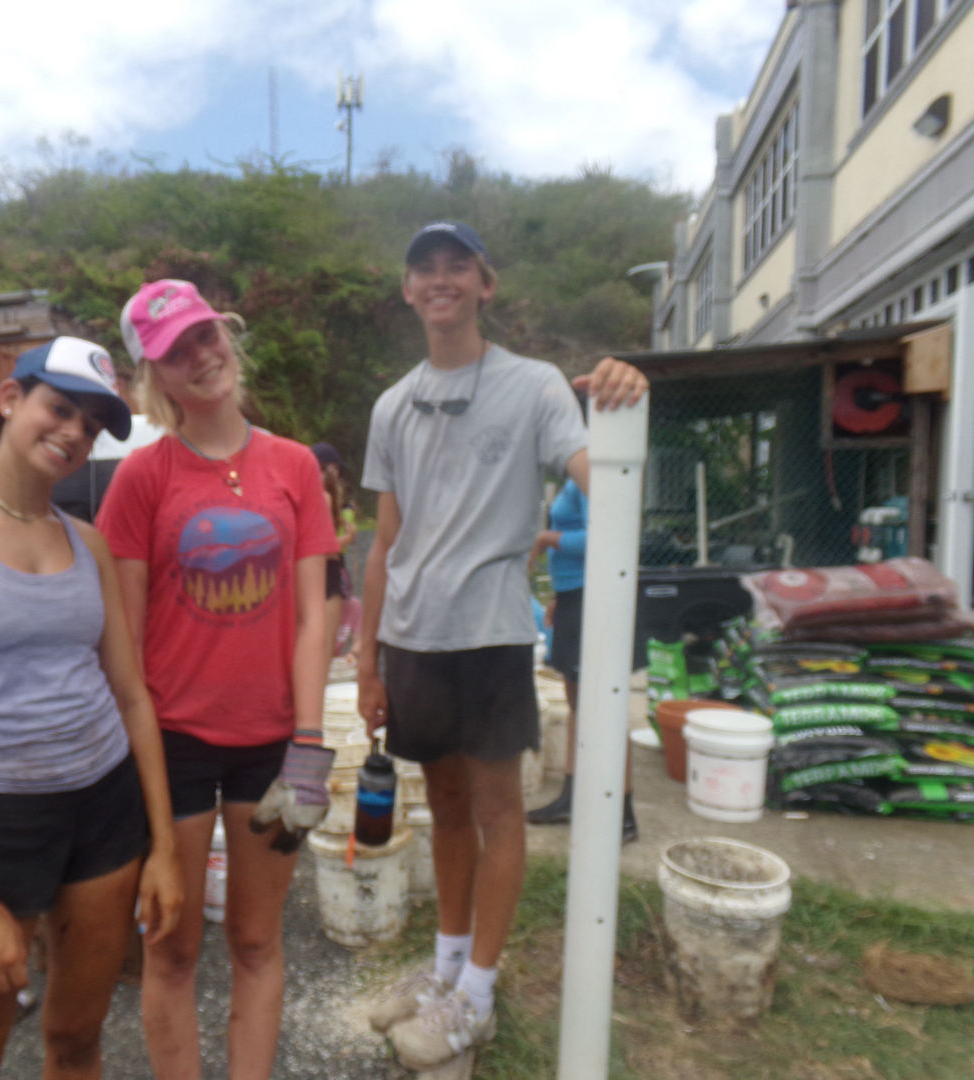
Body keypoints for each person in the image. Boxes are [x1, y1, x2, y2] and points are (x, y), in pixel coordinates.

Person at [357, 221, 647, 1073]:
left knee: (496, 810)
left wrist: (626, 409)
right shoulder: (393, 404)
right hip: (413, 637)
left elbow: (605, 480)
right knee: (443, 805)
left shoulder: (534, 385)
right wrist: (369, 661)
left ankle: (477, 996)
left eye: (459, 266)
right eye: (425, 268)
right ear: (408, 290)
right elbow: (385, 542)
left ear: (485, 286)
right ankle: (446, 967)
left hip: (489, 633)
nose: (440, 279)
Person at [0, 337, 182, 1080]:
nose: (74, 432)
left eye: (92, 424)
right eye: (60, 408)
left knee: (77, 1038)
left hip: (103, 812)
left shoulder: (88, 545)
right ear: (11, 399)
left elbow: (131, 695)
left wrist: (165, 849)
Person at [97, 279, 339, 1080]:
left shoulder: (295, 466)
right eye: (177, 352)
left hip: (274, 744)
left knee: (256, 940)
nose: (201, 357)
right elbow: (125, 643)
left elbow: (314, 618)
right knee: (170, 948)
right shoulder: (142, 478)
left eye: (206, 335)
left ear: (226, 334)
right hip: (173, 742)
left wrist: (309, 745)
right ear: (155, 378)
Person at [525, 479, 638, 840]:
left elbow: (601, 537)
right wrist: (561, 597)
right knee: (576, 702)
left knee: (605, 704)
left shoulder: (594, 472)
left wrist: (545, 539)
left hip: (594, 596)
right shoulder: (574, 476)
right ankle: (571, 798)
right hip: (574, 595)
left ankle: (623, 813)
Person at [311, 441, 357, 672]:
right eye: (332, 469)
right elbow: (324, 549)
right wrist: (348, 537)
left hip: (326, 576)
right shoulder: (322, 497)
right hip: (324, 577)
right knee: (323, 650)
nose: (336, 474)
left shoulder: (327, 499)